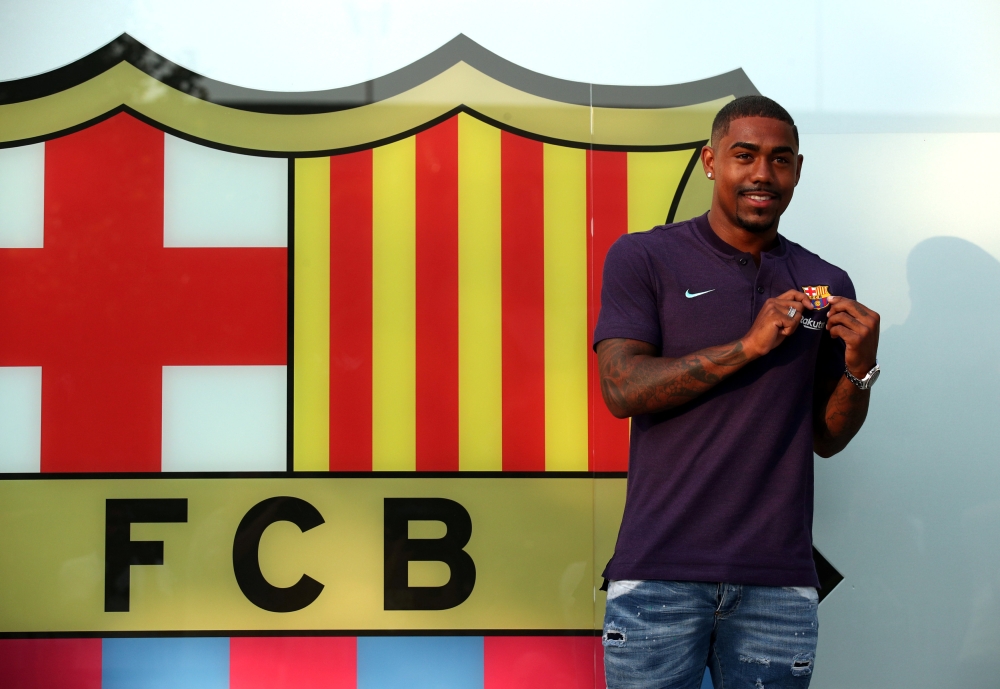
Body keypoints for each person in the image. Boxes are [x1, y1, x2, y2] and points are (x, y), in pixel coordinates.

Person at [595, 95, 880, 689]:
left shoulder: (824, 283)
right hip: (659, 573)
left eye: (779, 161)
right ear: (709, 161)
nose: (761, 174)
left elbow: (826, 438)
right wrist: (747, 347)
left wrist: (859, 368)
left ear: (797, 171)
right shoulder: (644, 256)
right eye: (743, 155)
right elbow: (622, 389)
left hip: (777, 581)